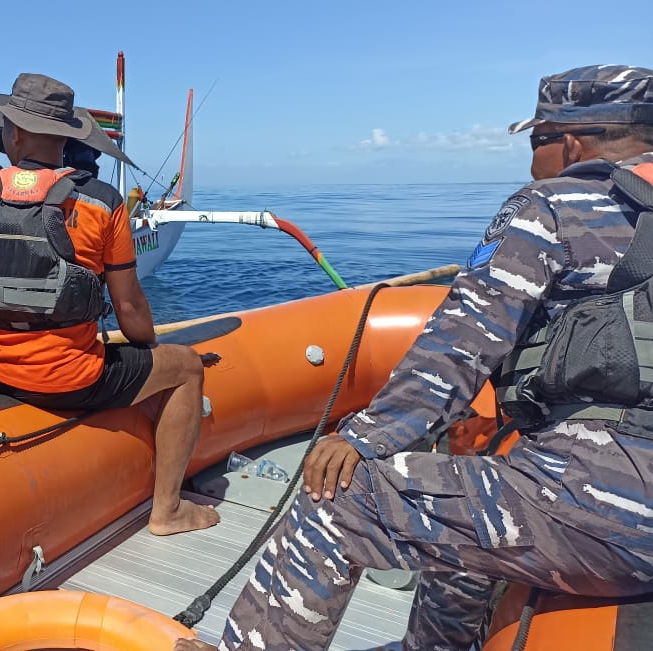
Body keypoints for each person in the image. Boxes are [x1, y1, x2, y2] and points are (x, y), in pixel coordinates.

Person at [175, 64, 653, 651]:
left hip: (612, 511)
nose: (532, 159)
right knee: (475, 496)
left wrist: (364, 438)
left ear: (570, 143)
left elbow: (458, 346)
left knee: (336, 498)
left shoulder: (553, 207)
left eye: (536, 141)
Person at [0, 73, 221, 536]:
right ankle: (168, 511)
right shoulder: (102, 203)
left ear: (15, 134)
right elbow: (129, 308)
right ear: (65, 138)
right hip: (68, 380)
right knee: (185, 367)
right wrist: (148, 350)